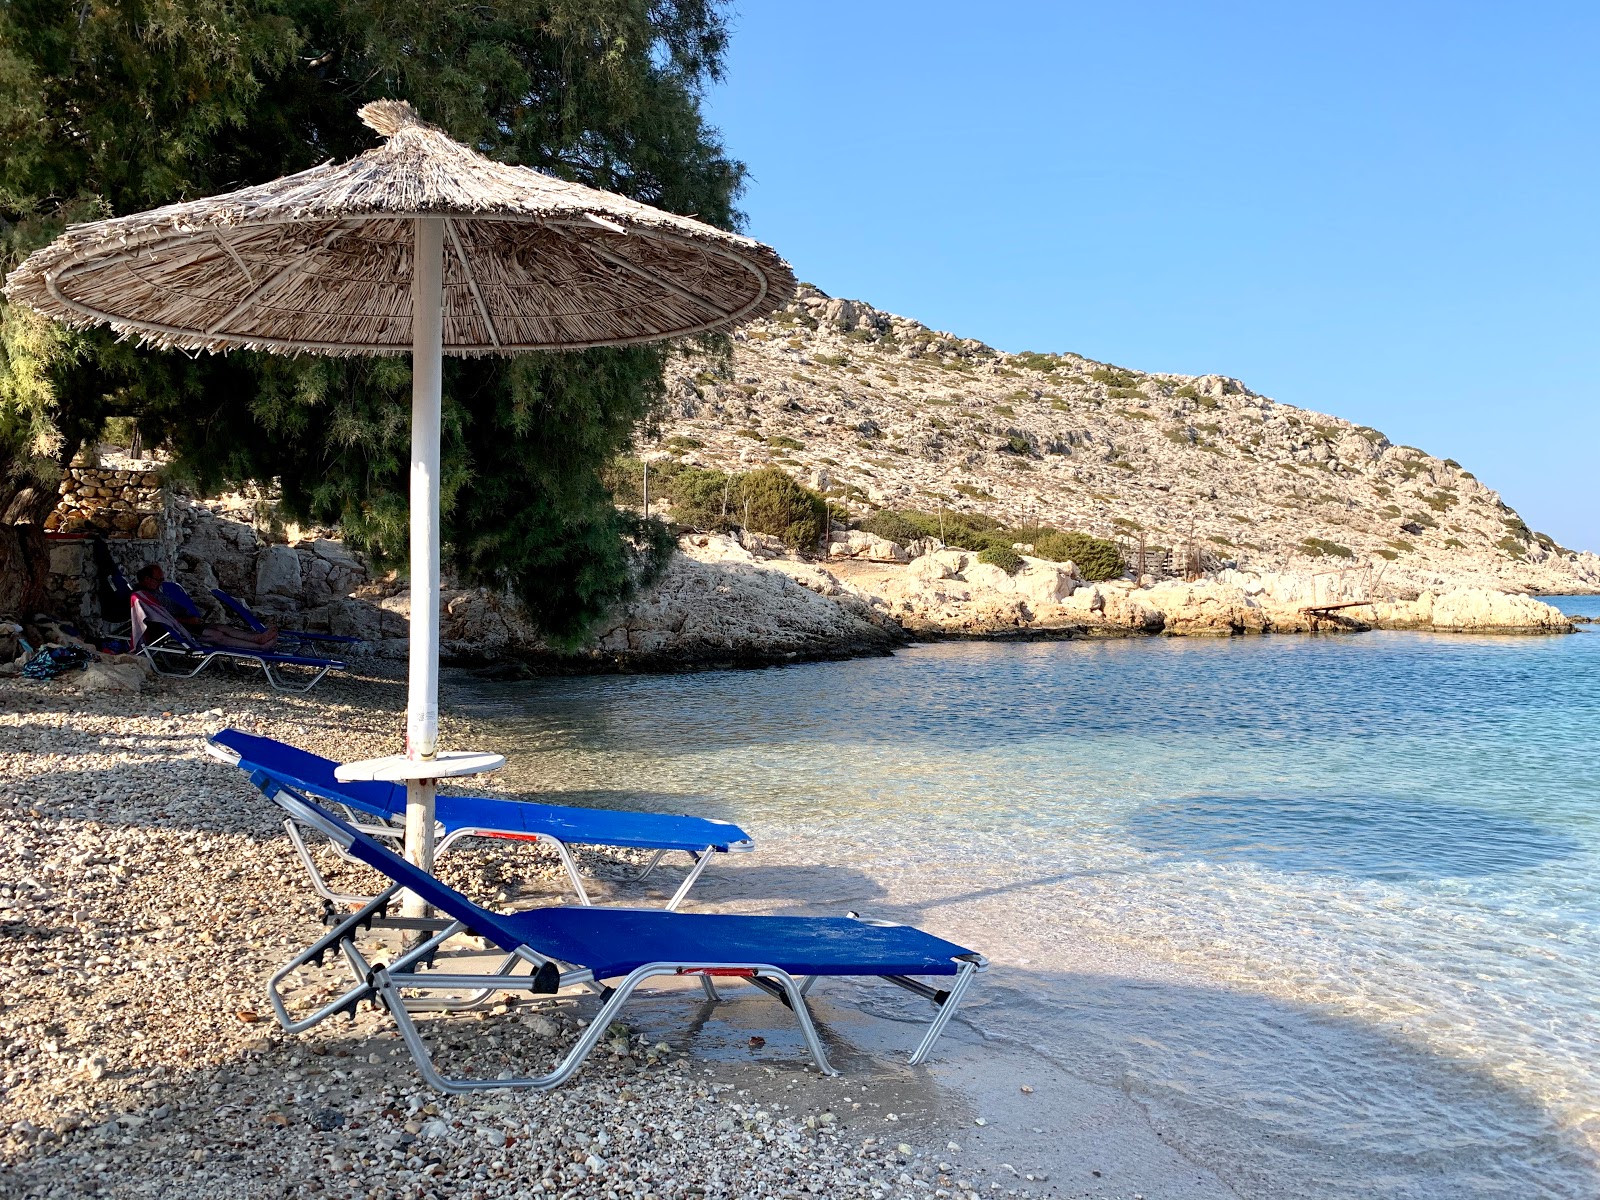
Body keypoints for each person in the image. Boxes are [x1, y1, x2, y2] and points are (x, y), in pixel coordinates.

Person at [132, 564, 280, 651]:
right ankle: (259, 647)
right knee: (217, 635)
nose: (162, 582)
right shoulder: (143, 597)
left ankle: (258, 638)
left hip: (184, 624)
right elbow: (161, 618)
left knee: (222, 627)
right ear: (147, 579)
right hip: (177, 629)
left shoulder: (155, 592)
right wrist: (188, 621)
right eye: (159, 579)